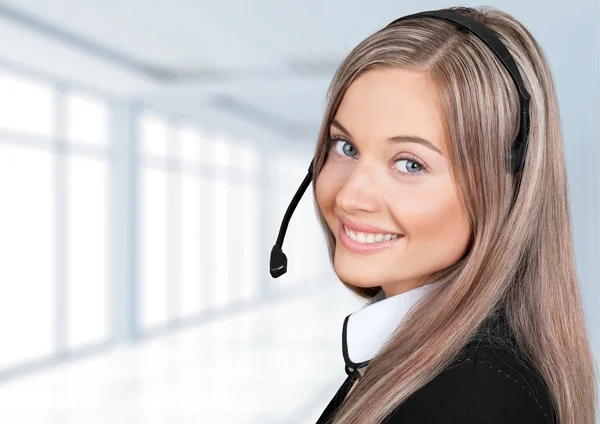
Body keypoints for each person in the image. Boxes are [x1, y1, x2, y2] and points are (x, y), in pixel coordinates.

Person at [304, 5, 596, 424]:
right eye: (345, 147)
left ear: (501, 189)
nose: (350, 196)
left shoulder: (471, 402)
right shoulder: (434, 364)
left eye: (409, 164)